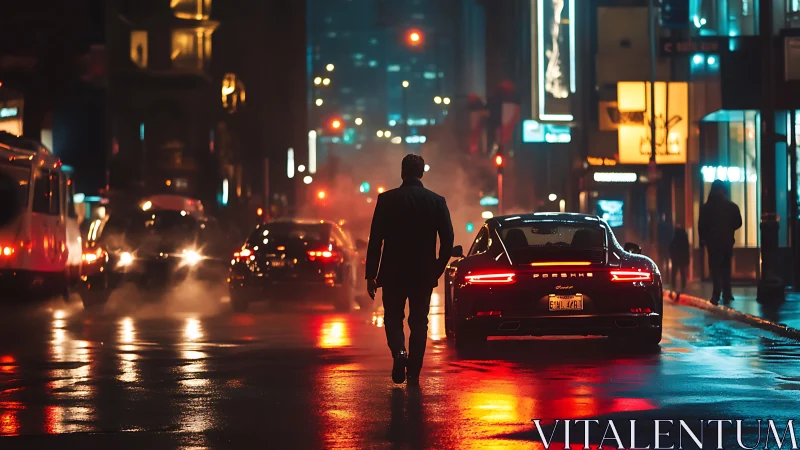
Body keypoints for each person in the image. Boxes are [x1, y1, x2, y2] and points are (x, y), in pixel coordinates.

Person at [366, 154, 454, 386]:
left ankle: (399, 352)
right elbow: (448, 241)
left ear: (402, 172)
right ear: (421, 172)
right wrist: (436, 269)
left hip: (393, 273)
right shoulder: (436, 201)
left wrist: (371, 275)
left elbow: (375, 241)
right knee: (419, 321)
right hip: (422, 273)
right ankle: (414, 370)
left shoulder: (386, 200)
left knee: (393, 317)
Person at [698, 179, 742, 304]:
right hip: (727, 241)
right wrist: (729, 229)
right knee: (726, 267)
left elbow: (701, 226)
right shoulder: (732, 207)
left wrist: (703, 238)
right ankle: (727, 293)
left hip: (712, 242)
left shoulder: (706, 208)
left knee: (715, 268)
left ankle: (716, 294)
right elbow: (738, 222)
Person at [668, 225, 690, 295]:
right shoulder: (684, 239)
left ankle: (673, 285)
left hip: (676, 258)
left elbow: (671, 248)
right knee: (682, 272)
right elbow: (687, 250)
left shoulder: (675, 239)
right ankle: (683, 286)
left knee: (674, 272)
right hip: (682, 258)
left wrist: (672, 256)